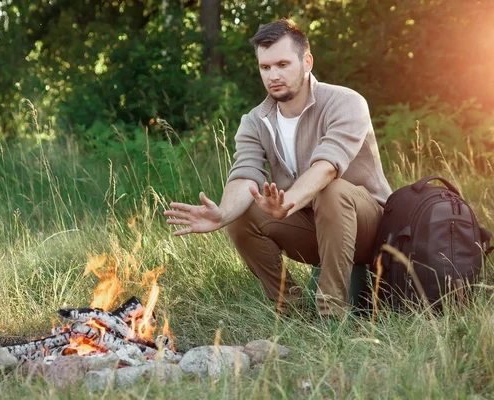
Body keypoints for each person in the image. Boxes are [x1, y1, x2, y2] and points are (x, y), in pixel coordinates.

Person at [164, 18, 392, 318]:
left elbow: (327, 167)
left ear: (306, 61)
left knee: (331, 190)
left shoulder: (345, 102)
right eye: (266, 67)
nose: (274, 75)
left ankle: (331, 314)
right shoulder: (255, 121)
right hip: (311, 226)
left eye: (283, 64)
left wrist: (288, 202)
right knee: (241, 212)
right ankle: (291, 306)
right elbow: (245, 174)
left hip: (368, 229)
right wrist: (223, 213)